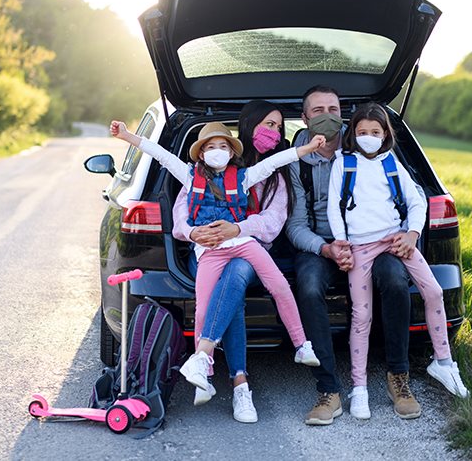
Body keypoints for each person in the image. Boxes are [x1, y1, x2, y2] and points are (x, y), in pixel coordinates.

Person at [109, 117, 325, 398]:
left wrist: (306, 149)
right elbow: (160, 154)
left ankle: (301, 344)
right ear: (201, 153)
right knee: (203, 308)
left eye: (224, 146)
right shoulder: (188, 176)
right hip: (210, 252)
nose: (218, 151)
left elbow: (274, 163)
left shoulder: (245, 176)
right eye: (211, 146)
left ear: (232, 152)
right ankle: (204, 371)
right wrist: (128, 136)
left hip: (243, 243)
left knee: (280, 285)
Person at [286, 86, 424, 425]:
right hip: (321, 244)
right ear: (304, 119)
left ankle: (398, 378)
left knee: (394, 278)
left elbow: (411, 192)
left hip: (374, 242)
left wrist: (409, 233)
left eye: (334, 108)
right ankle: (329, 391)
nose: (328, 115)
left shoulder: (369, 140)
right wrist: (327, 248)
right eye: (317, 110)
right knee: (308, 285)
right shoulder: (298, 160)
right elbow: (295, 224)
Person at [328, 102, 469, 419]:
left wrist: (412, 235)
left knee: (434, 292)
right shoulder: (344, 163)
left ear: (385, 134)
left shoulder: (391, 163)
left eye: (374, 132)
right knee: (361, 317)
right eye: (362, 132)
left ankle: (443, 362)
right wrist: (342, 242)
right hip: (361, 248)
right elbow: (334, 209)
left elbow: (417, 202)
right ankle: (359, 388)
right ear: (352, 134)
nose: (367, 137)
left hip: (396, 241)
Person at [171, 100, 299, 423]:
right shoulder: (206, 174)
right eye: (268, 124)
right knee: (232, 291)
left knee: (238, 272)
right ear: (249, 126)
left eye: (279, 127)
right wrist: (192, 232)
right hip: (209, 250)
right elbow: (182, 211)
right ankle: (240, 383)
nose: (274, 132)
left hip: (251, 251)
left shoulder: (274, 177)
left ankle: (208, 361)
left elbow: (272, 223)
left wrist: (238, 228)